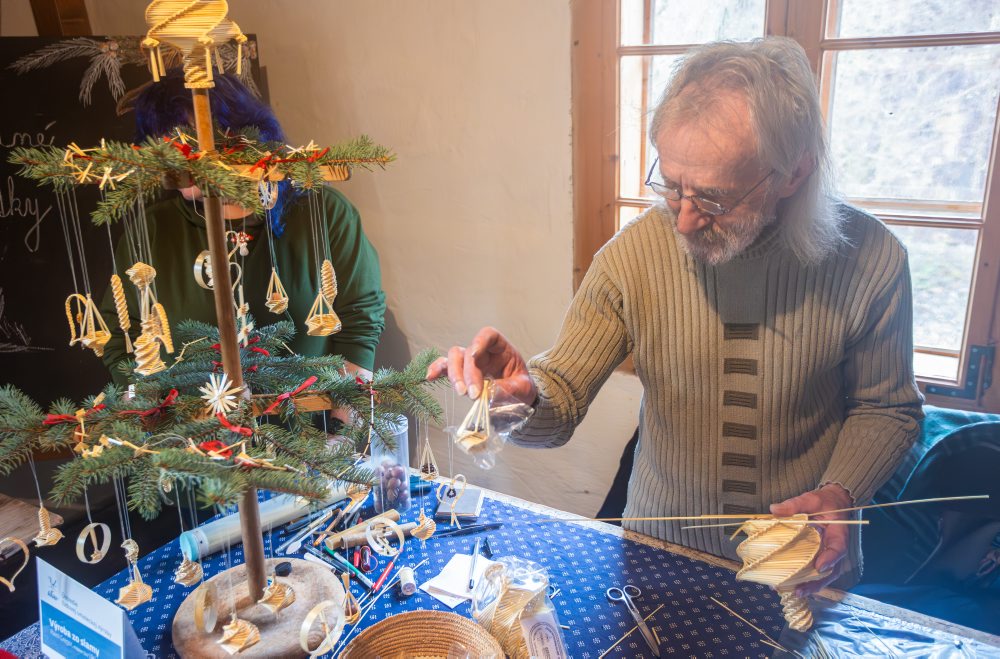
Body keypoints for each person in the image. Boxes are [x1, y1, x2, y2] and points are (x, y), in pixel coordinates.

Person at [428, 37, 923, 593]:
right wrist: (522, 400)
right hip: (656, 555)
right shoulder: (634, 255)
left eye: (714, 199)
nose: (684, 221)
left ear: (793, 174)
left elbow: (888, 408)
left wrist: (842, 491)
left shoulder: (872, 260)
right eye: (671, 185)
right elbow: (560, 400)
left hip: (799, 565)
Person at [100, 69, 386, 415]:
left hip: (309, 438)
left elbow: (359, 321)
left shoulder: (323, 212)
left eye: (192, 141)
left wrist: (341, 429)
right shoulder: (155, 228)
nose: (181, 160)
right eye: (165, 146)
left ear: (243, 136)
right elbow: (120, 331)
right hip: (191, 444)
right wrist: (150, 413)